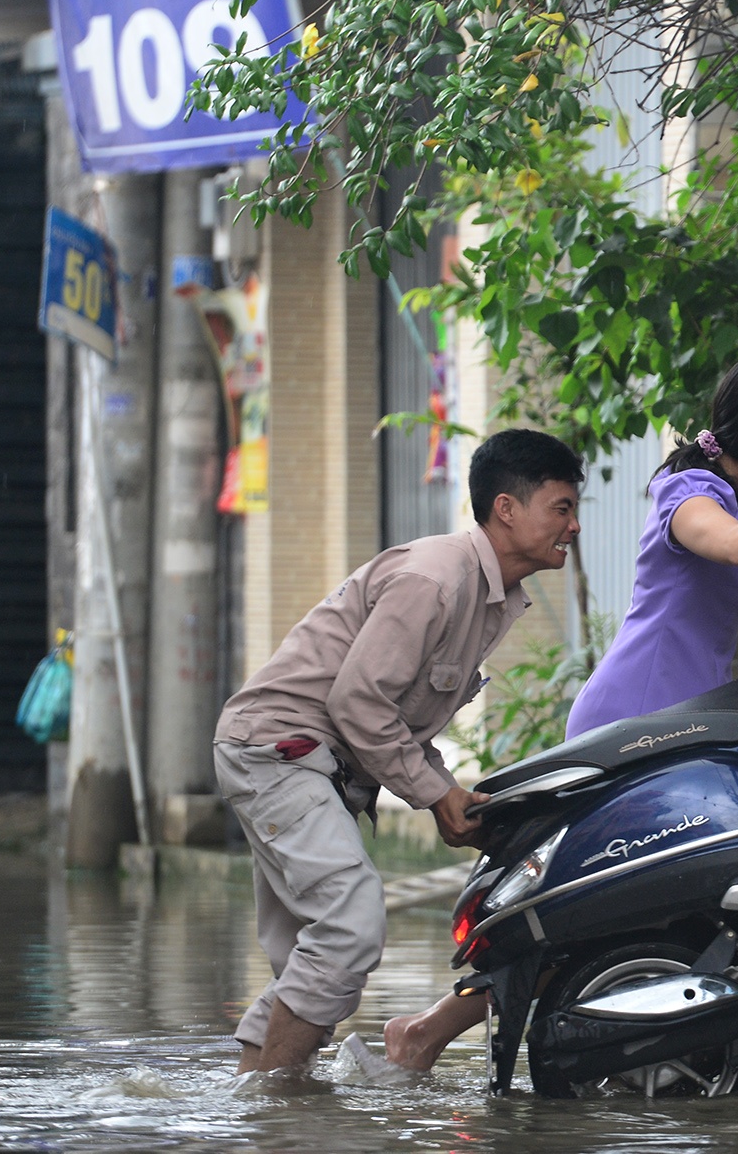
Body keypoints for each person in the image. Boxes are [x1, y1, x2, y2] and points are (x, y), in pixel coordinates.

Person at [381, 351, 738, 1070]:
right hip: (634, 718)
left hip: (681, 727)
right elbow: (735, 552)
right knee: (604, 903)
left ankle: (426, 1032)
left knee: (619, 908)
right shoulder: (690, 492)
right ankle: (429, 1031)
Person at [213, 428, 584, 1075]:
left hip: (307, 764)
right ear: (507, 508)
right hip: (281, 749)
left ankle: (259, 1118)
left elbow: (397, 722)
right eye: (561, 508)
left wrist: (453, 794)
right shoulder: (436, 580)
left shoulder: (490, 597)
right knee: (349, 927)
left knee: (317, 949)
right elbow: (357, 704)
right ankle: (276, 1110)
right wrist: (436, 794)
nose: (573, 527)